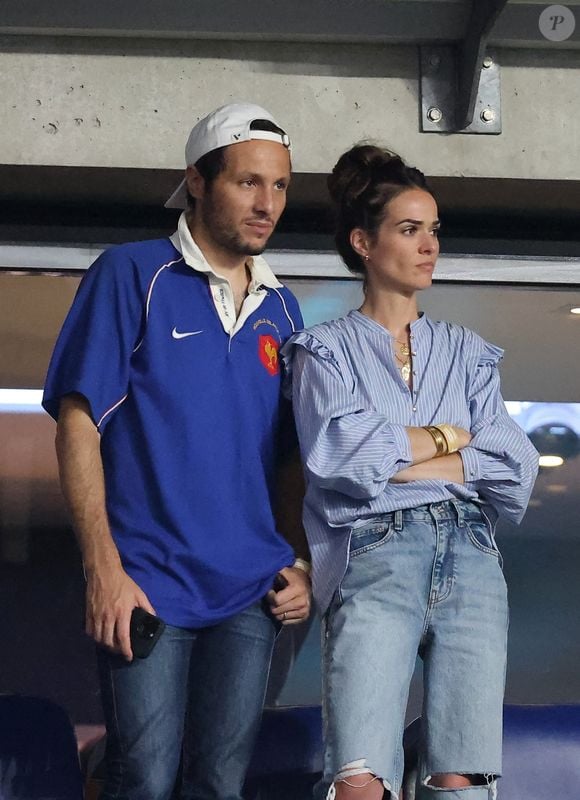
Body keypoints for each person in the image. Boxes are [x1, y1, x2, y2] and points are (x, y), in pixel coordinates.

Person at [42, 102, 311, 800]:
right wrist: (102, 567)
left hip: (250, 592)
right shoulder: (132, 275)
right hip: (148, 582)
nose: (268, 204)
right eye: (249, 182)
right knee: (146, 780)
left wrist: (297, 557)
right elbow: (78, 424)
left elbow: (289, 457)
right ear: (197, 180)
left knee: (220, 785)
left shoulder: (283, 309)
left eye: (280, 186)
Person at [281, 144, 538, 800]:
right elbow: (339, 458)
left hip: (474, 558)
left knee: (460, 778)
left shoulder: (470, 352)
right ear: (363, 242)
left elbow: (513, 468)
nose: (429, 245)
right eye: (409, 229)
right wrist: (456, 442)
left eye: (434, 230)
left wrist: (398, 457)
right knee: (361, 780)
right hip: (373, 558)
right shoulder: (323, 350)